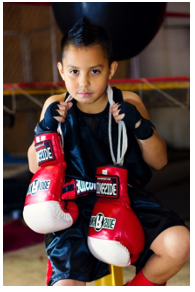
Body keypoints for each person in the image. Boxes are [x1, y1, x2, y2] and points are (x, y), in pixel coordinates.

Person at [27, 17, 190, 286]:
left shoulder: (129, 102)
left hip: (124, 198)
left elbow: (159, 161)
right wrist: (44, 130)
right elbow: (35, 167)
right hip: (74, 205)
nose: (83, 83)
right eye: (74, 72)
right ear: (61, 70)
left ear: (111, 69)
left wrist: (140, 126)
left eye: (94, 71)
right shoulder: (54, 105)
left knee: (179, 244)